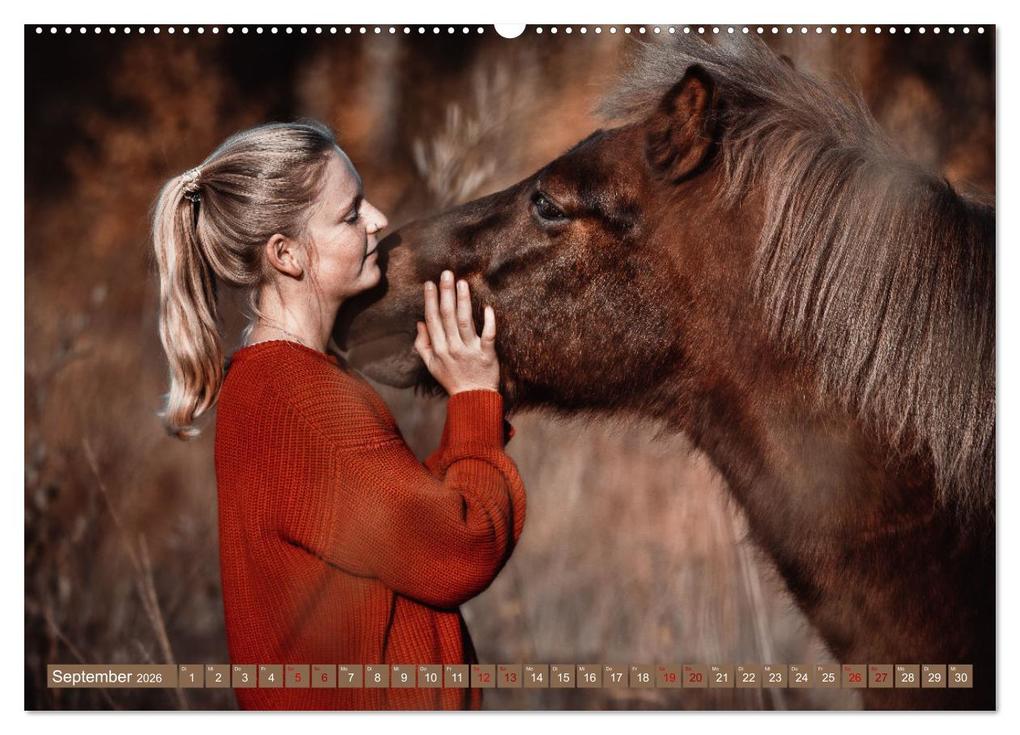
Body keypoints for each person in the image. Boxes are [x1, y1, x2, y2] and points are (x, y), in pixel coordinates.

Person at [149, 119, 526, 710]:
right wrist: (476, 399)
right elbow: (458, 548)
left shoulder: (271, 384)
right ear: (287, 254)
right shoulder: (302, 402)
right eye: (350, 214)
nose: (378, 219)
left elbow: (400, 536)